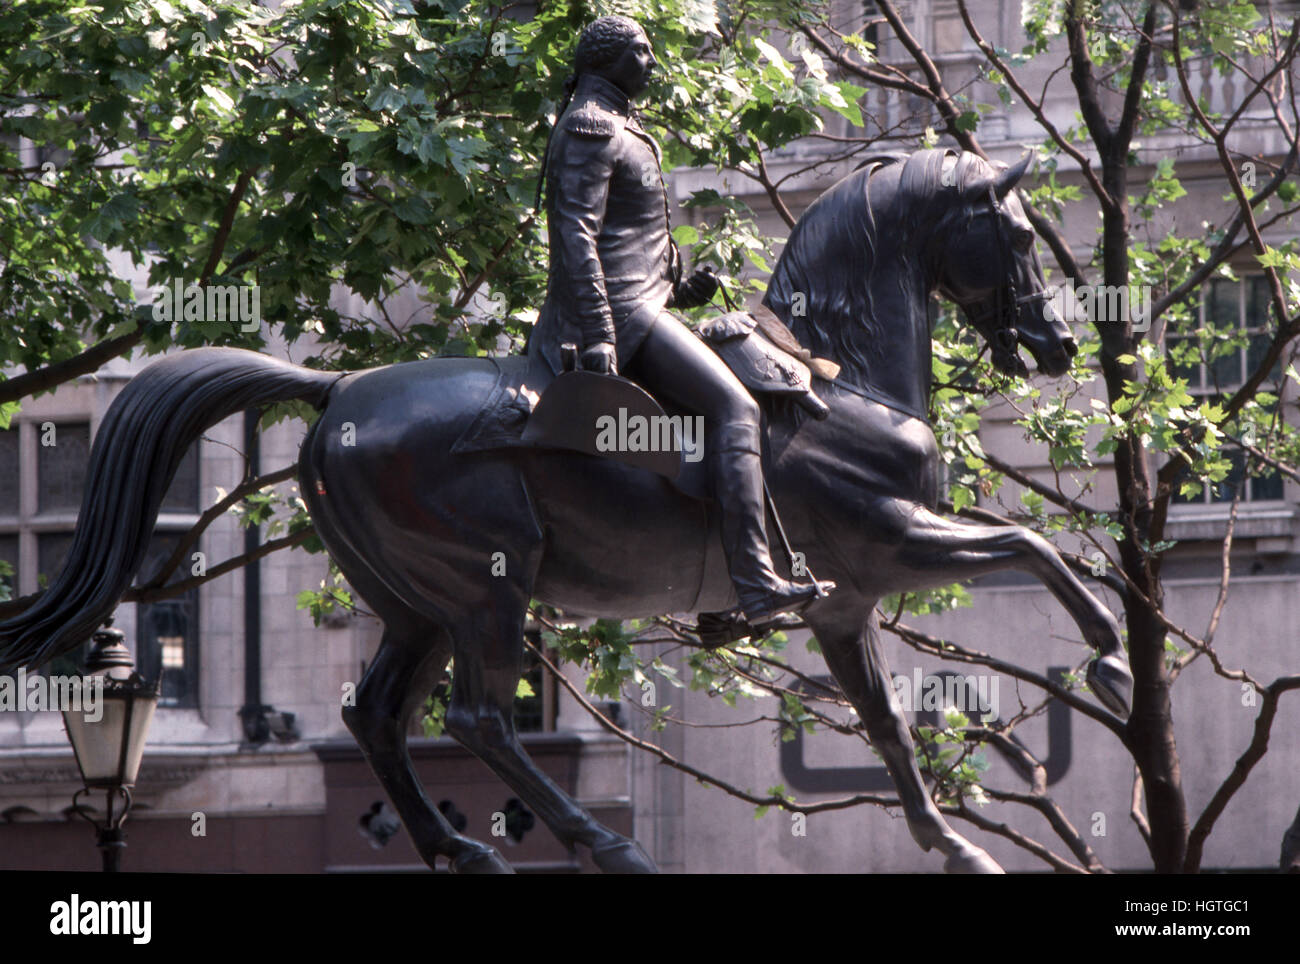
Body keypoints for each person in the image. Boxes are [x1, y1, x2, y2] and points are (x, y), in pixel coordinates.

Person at [527, 15, 833, 624]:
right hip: (618, 318)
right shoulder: (591, 126)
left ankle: (720, 590)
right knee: (737, 409)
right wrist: (600, 334)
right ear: (605, 59)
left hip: (642, 306)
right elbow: (576, 238)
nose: (653, 62)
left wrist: (684, 288)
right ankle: (753, 585)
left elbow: (626, 241)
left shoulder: (619, 124)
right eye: (641, 52)